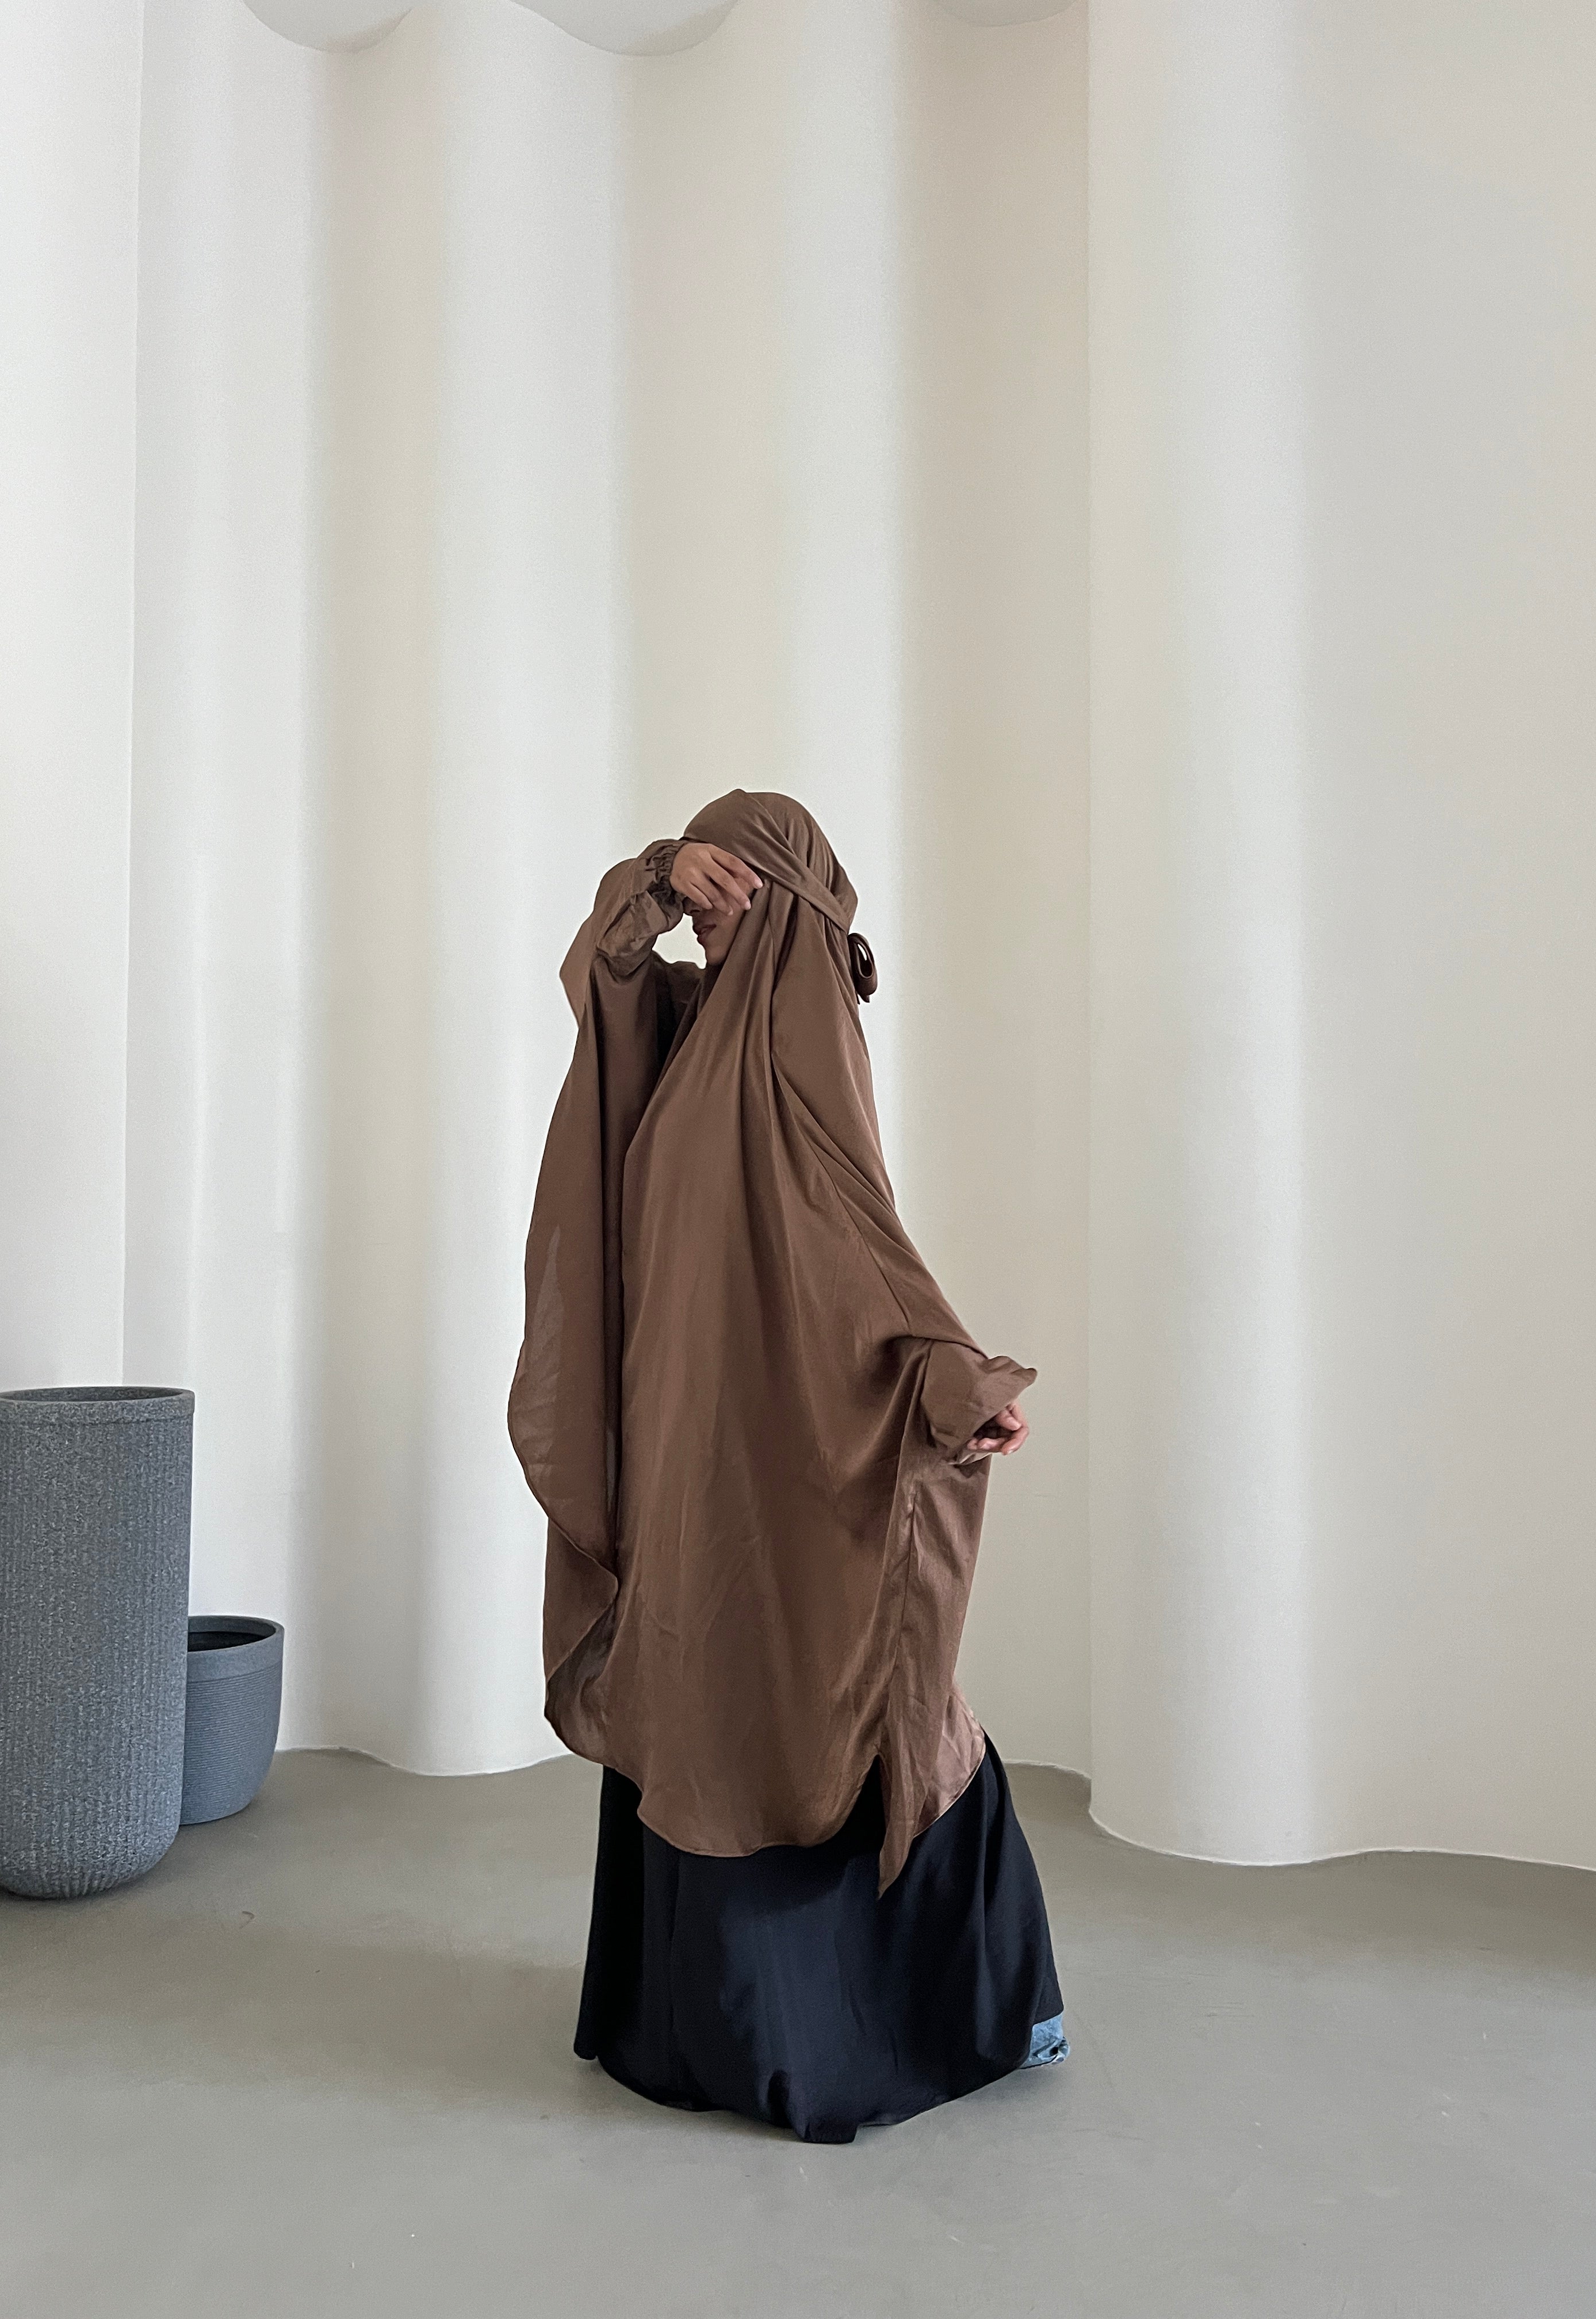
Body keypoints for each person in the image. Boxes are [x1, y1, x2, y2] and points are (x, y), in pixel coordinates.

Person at [508, 789, 1066, 2144]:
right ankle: (686, 2026)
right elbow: (603, 973)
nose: (709, 915)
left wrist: (952, 1378)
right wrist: (659, 873)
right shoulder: (686, 1025)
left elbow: (863, 1236)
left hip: (787, 1435)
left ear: (788, 898)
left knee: (819, 1687)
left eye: (733, 887)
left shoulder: (801, 1028)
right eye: (705, 890)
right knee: (695, 1675)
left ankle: (954, 2006)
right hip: (685, 1429)